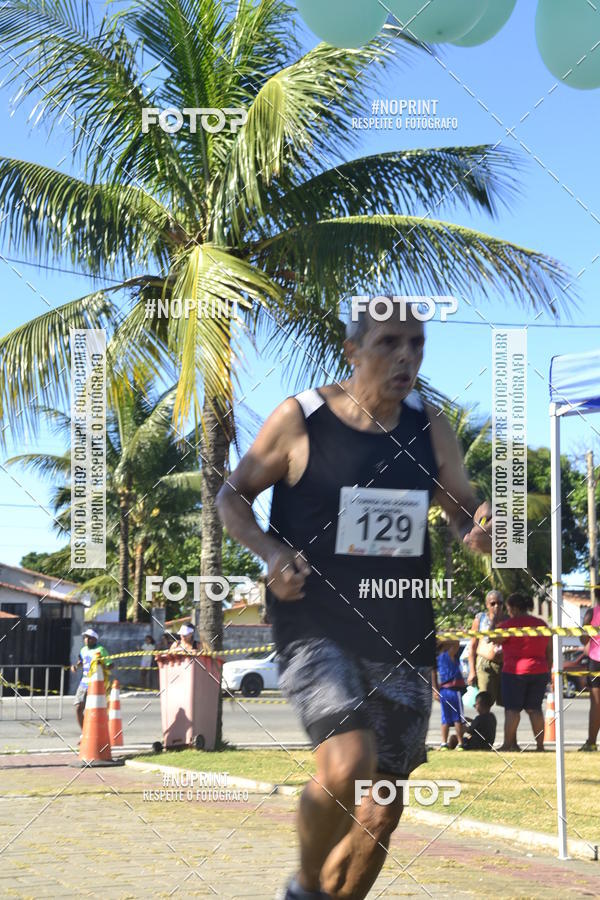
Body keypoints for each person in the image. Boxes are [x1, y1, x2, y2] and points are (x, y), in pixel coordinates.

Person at [216, 304, 492, 900]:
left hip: (402, 629)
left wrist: (479, 522)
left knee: (382, 805)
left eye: (417, 345)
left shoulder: (430, 427)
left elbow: (461, 504)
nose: (406, 358)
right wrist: (269, 553)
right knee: (346, 765)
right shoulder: (301, 419)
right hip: (315, 622)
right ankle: (306, 887)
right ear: (352, 350)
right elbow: (232, 497)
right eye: (390, 342)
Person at [493, 593, 552, 752]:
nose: (508, 612)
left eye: (508, 609)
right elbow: (549, 651)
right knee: (535, 709)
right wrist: (547, 669)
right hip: (539, 670)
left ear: (514, 608)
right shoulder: (542, 624)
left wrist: (496, 620)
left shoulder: (508, 625)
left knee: (512, 710)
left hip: (514, 672)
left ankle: (507, 744)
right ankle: (540, 746)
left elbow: (494, 639)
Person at [70, 628, 112, 737]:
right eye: (85, 637)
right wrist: (75, 666)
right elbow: (81, 661)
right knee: (78, 707)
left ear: (94, 639)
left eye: (88, 637)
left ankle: (97, 734)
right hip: (84, 683)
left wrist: (104, 666)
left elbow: (111, 664)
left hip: (95, 684)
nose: (86, 639)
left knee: (95, 710)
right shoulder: (83, 650)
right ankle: (85, 733)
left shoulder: (101, 650)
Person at [467, 590, 504, 707]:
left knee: (509, 703)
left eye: (500, 603)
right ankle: (482, 724)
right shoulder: (480, 619)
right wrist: (471, 671)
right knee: (484, 702)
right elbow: (472, 646)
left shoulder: (508, 619)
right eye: (493, 603)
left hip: (505, 664)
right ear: (487, 605)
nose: (496, 606)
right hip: (485, 665)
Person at [433, 640, 465, 750]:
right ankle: (461, 743)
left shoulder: (436, 659)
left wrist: (435, 690)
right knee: (458, 718)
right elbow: (456, 642)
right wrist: (446, 638)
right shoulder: (447, 655)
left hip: (443, 691)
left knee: (445, 718)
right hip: (453, 690)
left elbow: (433, 675)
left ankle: (443, 743)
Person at [579, 599, 600, 751]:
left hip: (596, 659)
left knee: (596, 705)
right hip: (595, 658)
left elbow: (583, 639)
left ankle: (591, 743)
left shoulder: (592, 613)